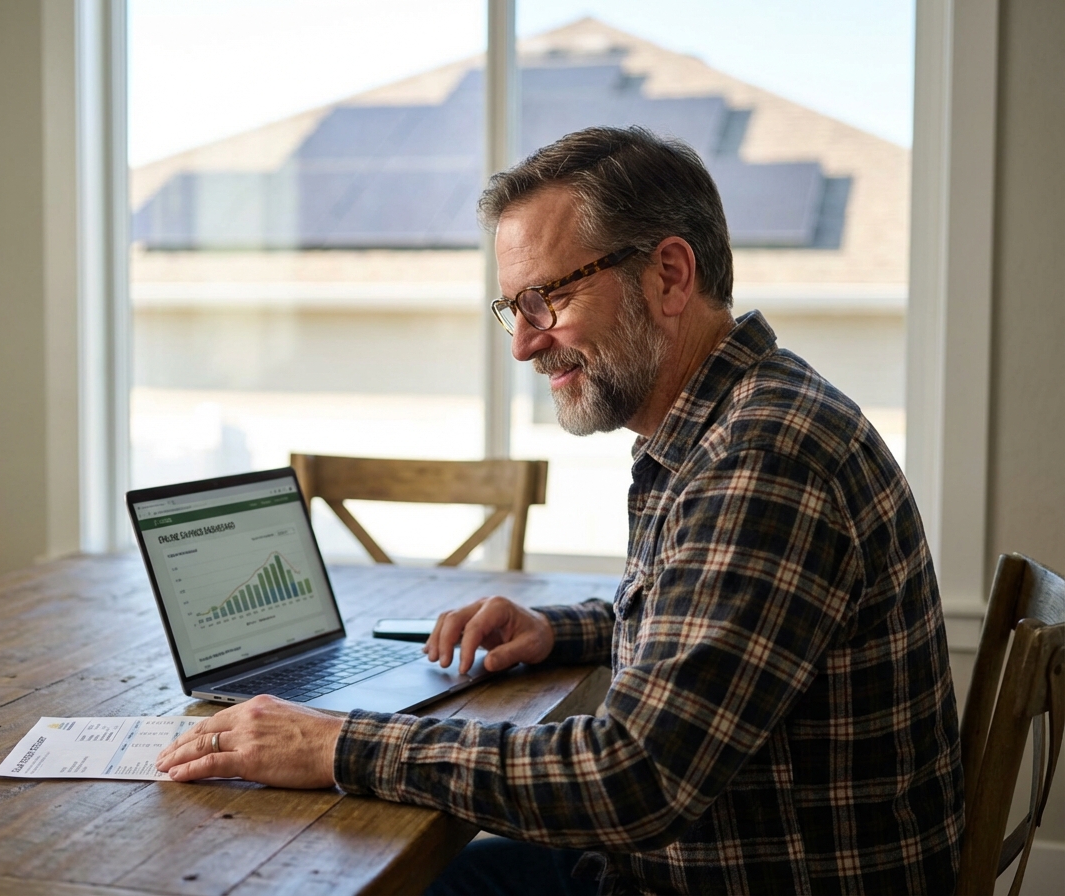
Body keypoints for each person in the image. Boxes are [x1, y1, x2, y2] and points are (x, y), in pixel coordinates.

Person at [156, 126, 964, 895]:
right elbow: (701, 636)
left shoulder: (763, 457)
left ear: (669, 275)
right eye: (513, 307)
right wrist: (557, 630)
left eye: (546, 298)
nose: (523, 343)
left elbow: (633, 778)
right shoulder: (727, 423)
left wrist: (339, 743)